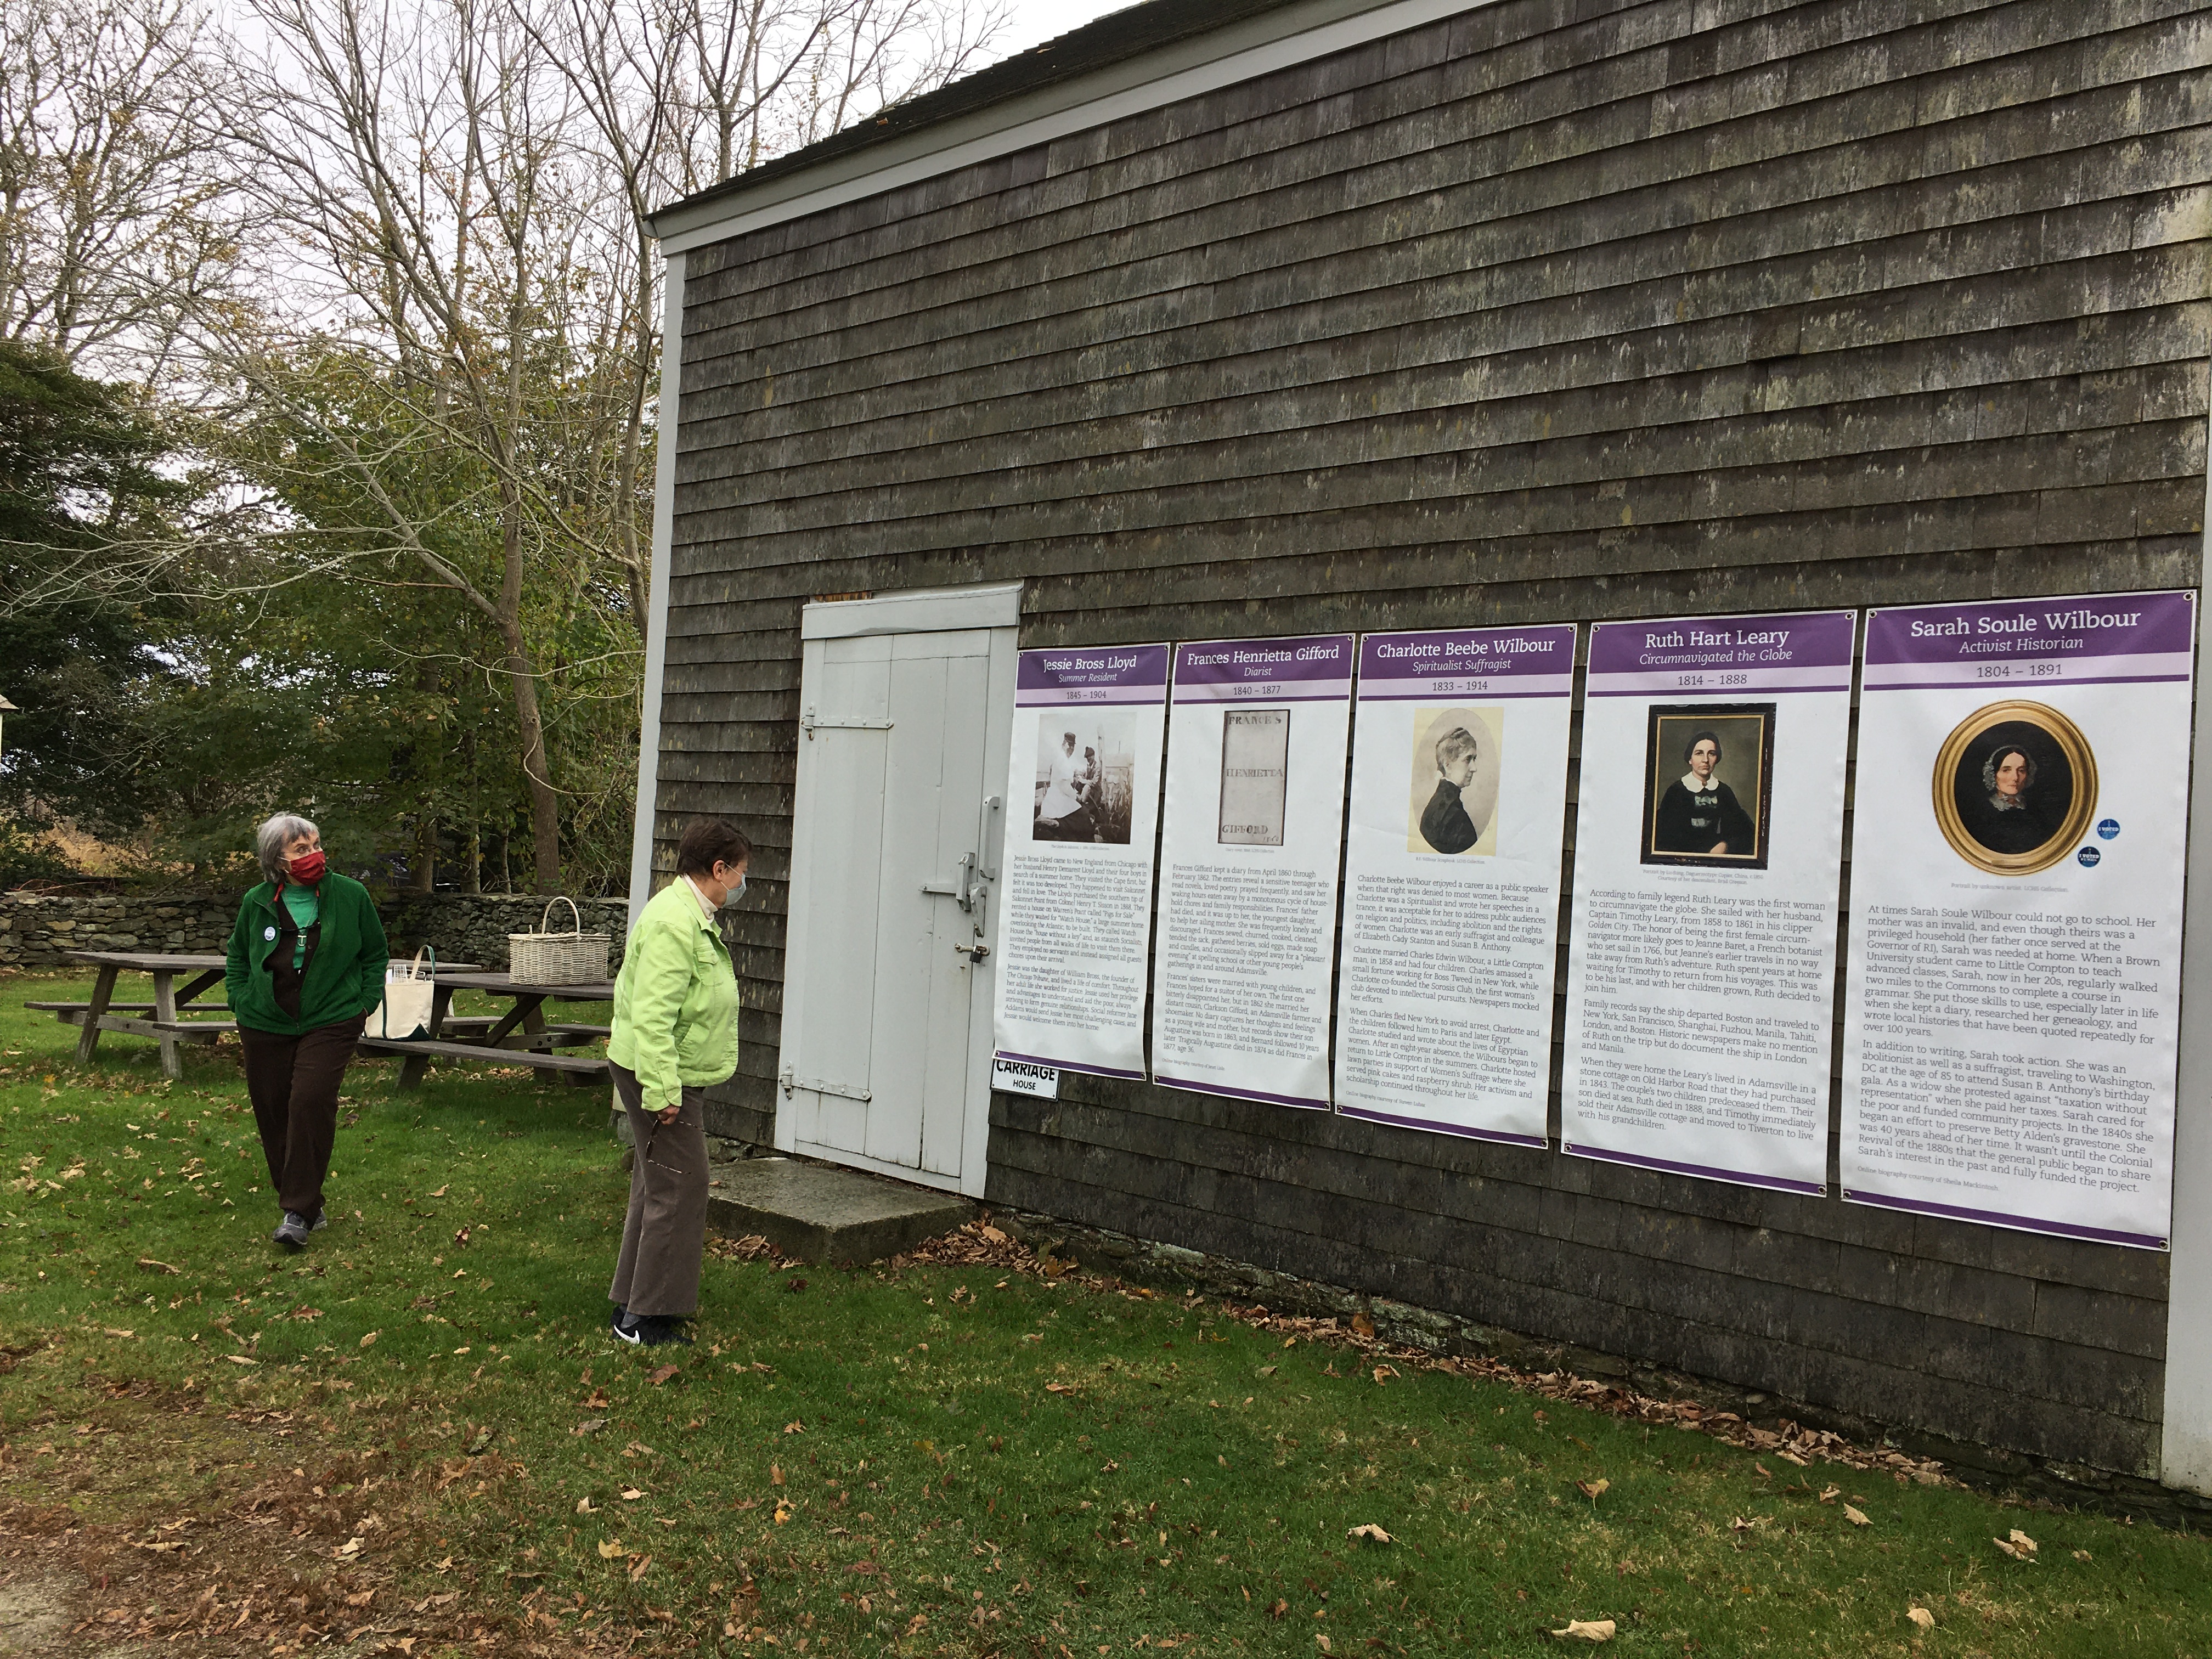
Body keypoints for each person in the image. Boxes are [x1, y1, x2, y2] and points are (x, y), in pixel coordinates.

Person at [605, 817, 749, 1348]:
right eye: (740, 873)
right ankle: (646, 1320)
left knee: (655, 1183)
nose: (741, 883)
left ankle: (631, 1303)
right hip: (661, 1073)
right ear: (718, 869)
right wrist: (663, 1091)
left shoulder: (689, 913)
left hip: (665, 1068)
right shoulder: (675, 922)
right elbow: (653, 1013)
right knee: (680, 1186)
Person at [224, 814, 390, 1251]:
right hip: (265, 1020)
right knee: (274, 1109)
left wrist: (363, 1003)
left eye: (316, 844)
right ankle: (306, 1202)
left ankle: (296, 1211)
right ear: (276, 859)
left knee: (310, 1100)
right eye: (301, 849)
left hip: (332, 1017)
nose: (314, 854)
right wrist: (240, 1000)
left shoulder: (350, 896)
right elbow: (238, 956)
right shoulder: (256, 901)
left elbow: (376, 953)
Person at [1652, 730, 1754, 855]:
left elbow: (1743, 830)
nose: (1705, 760)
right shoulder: (1676, 792)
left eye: (1711, 754)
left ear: (1717, 759)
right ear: (1690, 759)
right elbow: (1666, 838)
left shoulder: (1724, 792)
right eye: (1699, 753)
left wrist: (1725, 845)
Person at [1961, 743, 2055, 855]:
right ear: (1993, 774)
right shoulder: (1979, 815)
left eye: (2021, 771)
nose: (2015, 778)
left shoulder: (2037, 814)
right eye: (2006, 770)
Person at [1418, 724, 1484, 854]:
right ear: (1447, 765)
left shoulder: (1439, 804)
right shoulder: (1454, 815)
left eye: (1474, 759)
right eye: (1468, 759)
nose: (1474, 768)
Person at [1035, 732, 1092, 840]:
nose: (1071, 748)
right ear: (1063, 744)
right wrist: (1077, 798)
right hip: (1058, 798)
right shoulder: (1062, 761)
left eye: (1073, 745)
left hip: (1057, 796)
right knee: (1084, 814)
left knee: (1081, 811)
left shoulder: (1062, 759)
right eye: (1069, 745)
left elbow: (1065, 785)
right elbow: (1065, 787)